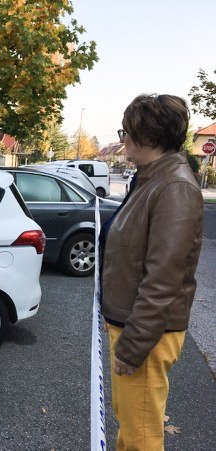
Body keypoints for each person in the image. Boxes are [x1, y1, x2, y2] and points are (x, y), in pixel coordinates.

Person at [100, 94, 203, 450]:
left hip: (145, 336)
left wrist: (132, 347)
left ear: (148, 137)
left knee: (142, 435)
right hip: (131, 326)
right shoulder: (150, 180)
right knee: (130, 427)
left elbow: (163, 279)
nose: (123, 138)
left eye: (126, 131)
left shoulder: (173, 187)